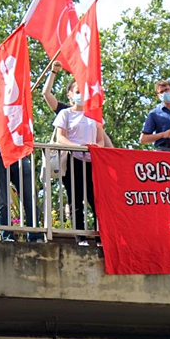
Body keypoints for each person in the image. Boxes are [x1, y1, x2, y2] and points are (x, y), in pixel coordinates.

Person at [0, 94, 41, 242]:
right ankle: (6, 236)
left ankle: (35, 235)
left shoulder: (18, 103)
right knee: (1, 198)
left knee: (30, 196)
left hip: (19, 154)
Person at [54, 81, 108, 244]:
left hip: (93, 161)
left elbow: (100, 139)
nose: (81, 95)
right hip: (73, 160)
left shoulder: (94, 115)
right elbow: (60, 137)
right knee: (76, 199)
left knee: (97, 200)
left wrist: (95, 148)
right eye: (77, 91)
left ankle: (101, 237)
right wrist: (78, 147)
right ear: (69, 94)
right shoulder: (65, 114)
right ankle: (81, 238)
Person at [139, 79, 170, 151]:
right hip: (163, 149)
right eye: (161, 92)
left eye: (167, 90)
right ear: (158, 96)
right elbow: (143, 139)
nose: (165, 93)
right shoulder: (154, 114)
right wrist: (162, 135)